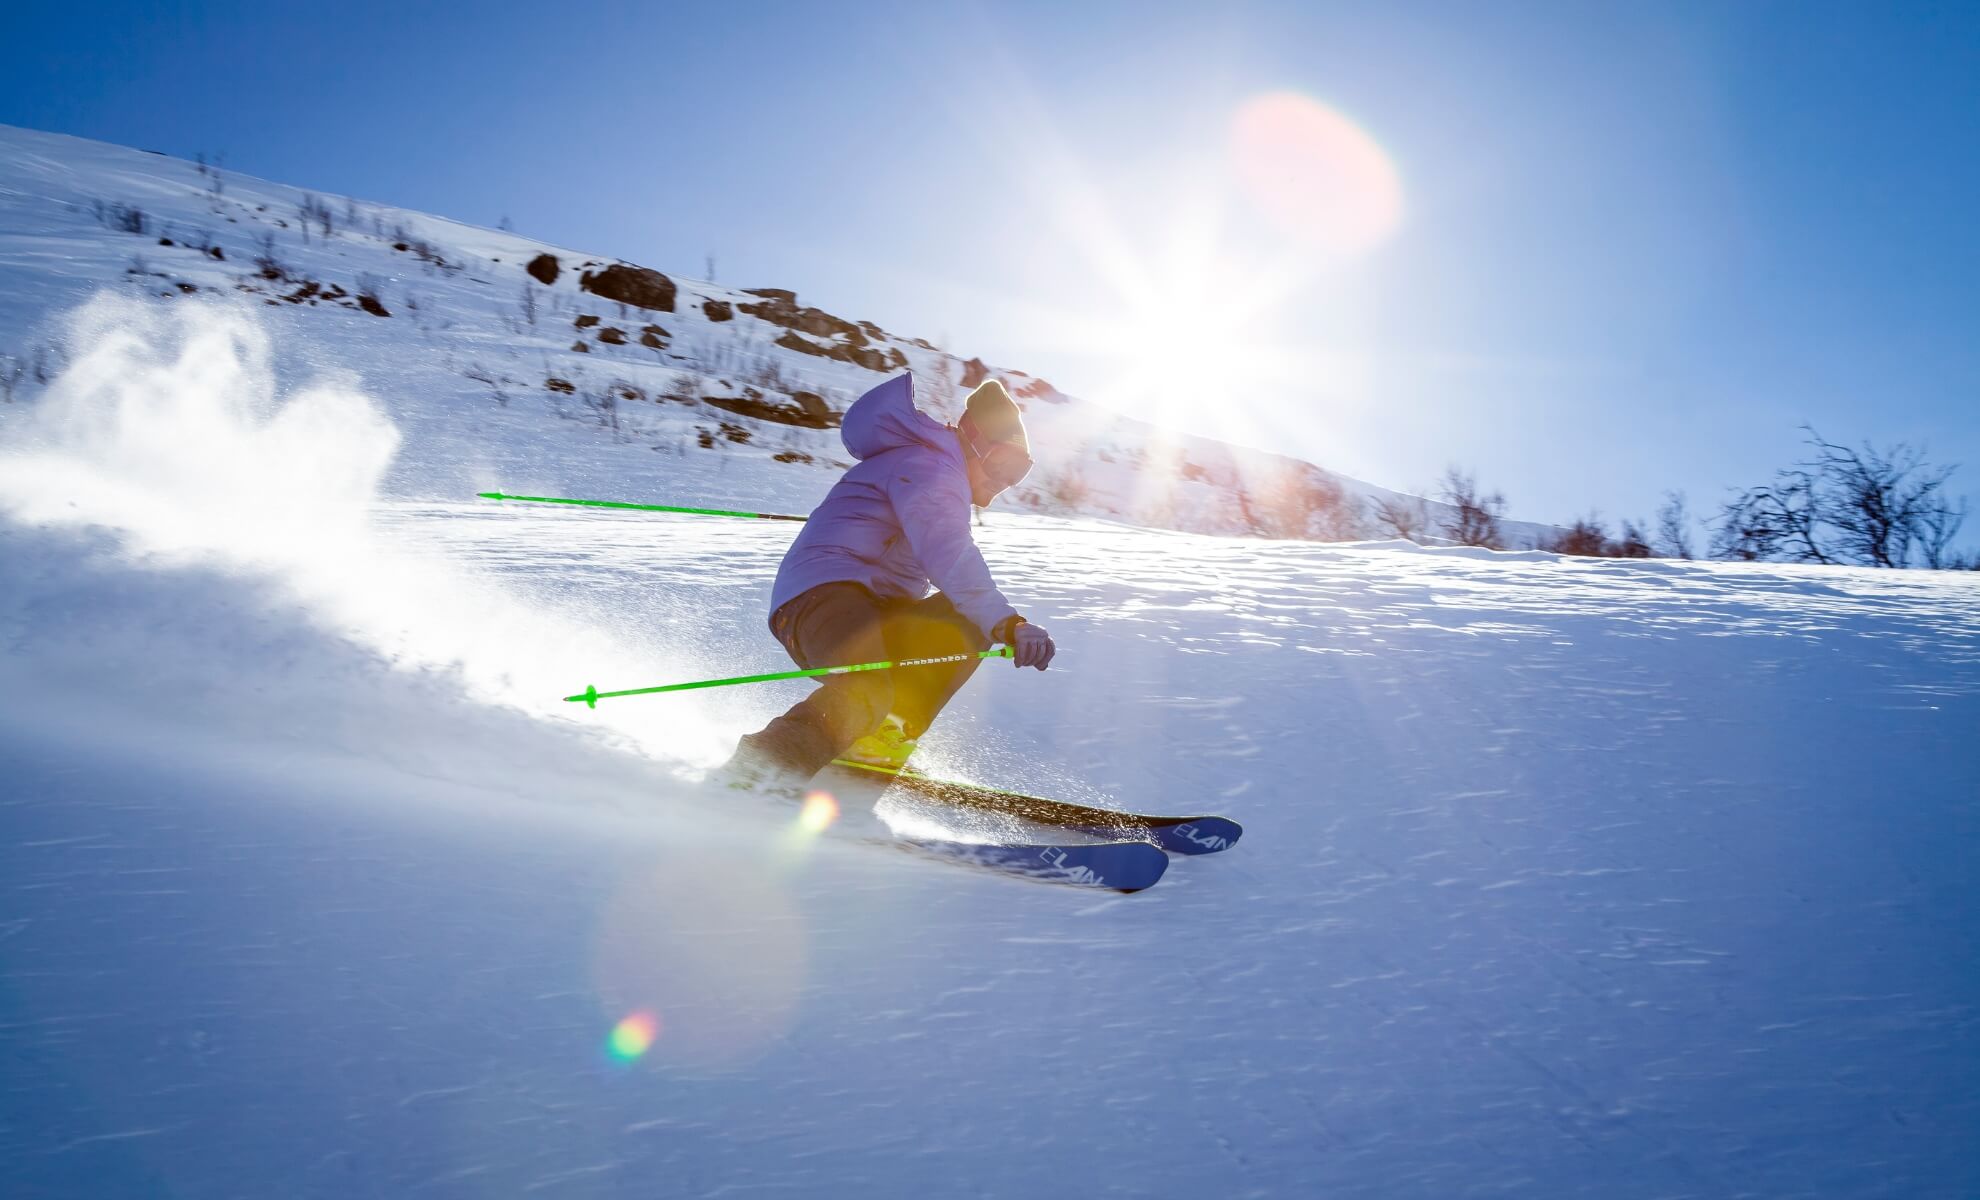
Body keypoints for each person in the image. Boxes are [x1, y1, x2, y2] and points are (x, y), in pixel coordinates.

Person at [722, 372, 1056, 789]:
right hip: (820, 600)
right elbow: (949, 553)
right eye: (1003, 466)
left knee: (962, 619)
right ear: (974, 442)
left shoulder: (933, 467)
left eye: (1018, 475)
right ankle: (758, 773)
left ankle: (874, 748)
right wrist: (1010, 622)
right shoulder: (932, 466)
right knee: (869, 685)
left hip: (871, 606)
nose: (1002, 485)